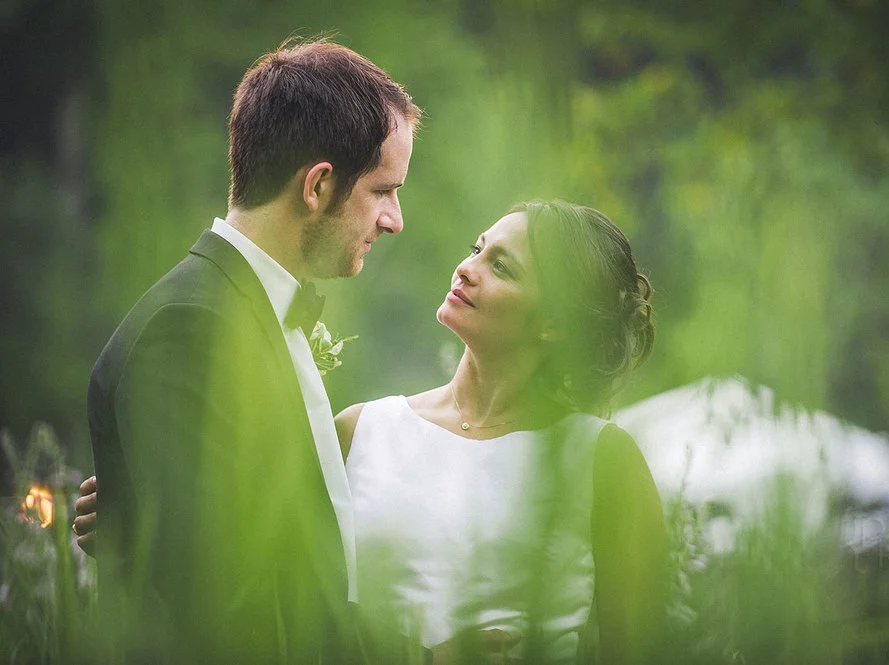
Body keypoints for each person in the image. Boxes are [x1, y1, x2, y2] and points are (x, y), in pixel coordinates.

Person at [79, 199, 668, 663]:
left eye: (502, 267)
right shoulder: (361, 430)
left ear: (555, 326)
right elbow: (262, 571)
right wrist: (146, 511)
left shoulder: (600, 460)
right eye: (478, 249)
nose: (467, 268)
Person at [82, 37, 419, 663]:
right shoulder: (190, 329)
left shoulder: (247, 312)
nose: (395, 219)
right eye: (382, 190)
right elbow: (219, 608)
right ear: (317, 186)